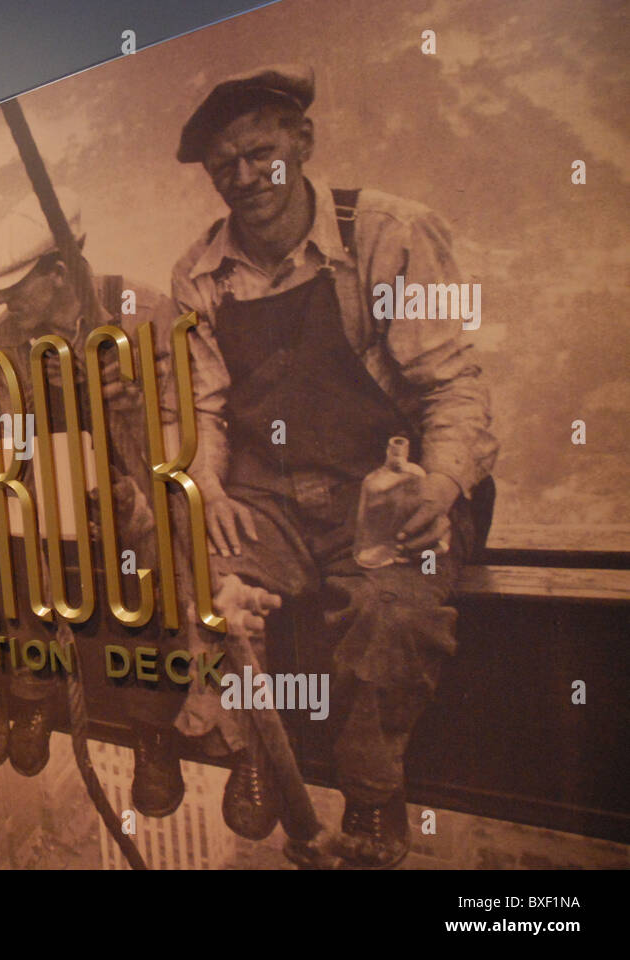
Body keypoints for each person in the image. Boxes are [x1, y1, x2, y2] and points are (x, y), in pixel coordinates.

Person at [169, 64, 498, 867]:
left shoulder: (390, 234)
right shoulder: (200, 273)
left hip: (383, 490)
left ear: (303, 140)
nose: (244, 179)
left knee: (394, 614)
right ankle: (254, 748)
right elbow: (203, 408)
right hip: (266, 492)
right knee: (209, 586)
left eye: (261, 154)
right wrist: (208, 486)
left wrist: (446, 482)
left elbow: (452, 384)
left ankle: (373, 793)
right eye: (224, 167)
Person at [0, 191, 193, 818]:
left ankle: (153, 727)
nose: (6, 302)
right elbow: (0, 444)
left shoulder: (144, 312)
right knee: (4, 526)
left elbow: (189, 440)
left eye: (17, 287)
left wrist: (136, 404)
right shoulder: (4, 339)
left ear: (60, 273)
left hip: (133, 495)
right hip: (51, 499)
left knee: (156, 547)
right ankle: (34, 691)